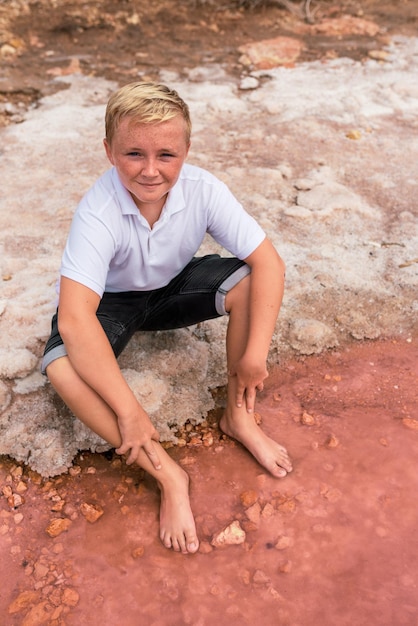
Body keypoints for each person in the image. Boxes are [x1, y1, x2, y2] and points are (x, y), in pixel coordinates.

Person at [42, 81, 292, 555]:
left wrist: (254, 356)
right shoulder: (98, 212)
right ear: (109, 152)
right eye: (134, 153)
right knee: (60, 366)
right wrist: (131, 412)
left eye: (167, 155)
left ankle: (239, 417)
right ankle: (166, 473)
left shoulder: (203, 189)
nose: (151, 171)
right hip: (110, 303)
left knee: (248, 279)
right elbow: (76, 320)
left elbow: (269, 263)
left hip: (172, 286)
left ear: (187, 151)